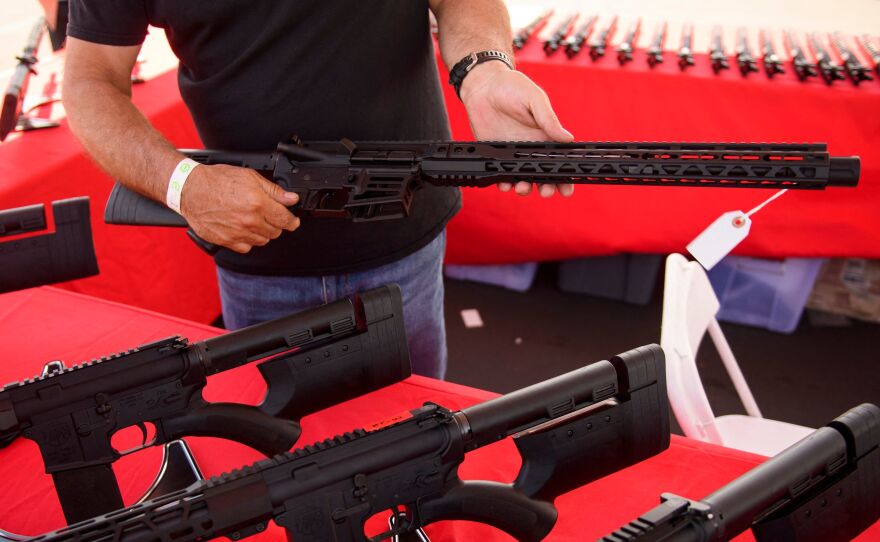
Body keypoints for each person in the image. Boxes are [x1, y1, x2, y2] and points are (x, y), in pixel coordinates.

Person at [63, 1, 573, 379]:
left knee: (420, 445)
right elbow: (91, 79)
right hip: (260, 257)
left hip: (405, 242)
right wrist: (182, 185)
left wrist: (482, 69)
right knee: (284, 465)